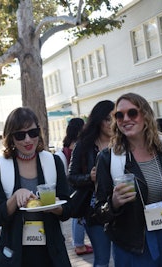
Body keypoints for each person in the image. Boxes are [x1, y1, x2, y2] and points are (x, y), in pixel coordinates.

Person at [94, 93, 162, 267]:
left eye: (132, 113)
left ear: (145, 115)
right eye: (119, 115)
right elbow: (99, 211)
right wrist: (113, 203)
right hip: (134, 244)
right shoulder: (108, 157)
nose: (125, 119)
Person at [0, 107, 72, 267]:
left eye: (33, 133)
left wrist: (54, 206)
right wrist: (14, 198)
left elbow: (68, 209)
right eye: (20, 135)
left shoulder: (53, 162)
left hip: (51, 250)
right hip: (15, 252)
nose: (28, 140)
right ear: (11, 138)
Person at [68, 100, 114, 267]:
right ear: (98, 120)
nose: (112, 123)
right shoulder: (84, 145)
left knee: (125, 257)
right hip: (95, 211)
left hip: (123, 209)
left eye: (116, 118)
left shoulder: (123, 143)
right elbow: (71, 177)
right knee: (102, 259)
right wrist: (90, 177)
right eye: (108, 119)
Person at [56, 118, 93, 256]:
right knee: (79, 215)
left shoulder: (65, 148)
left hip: (71, 185)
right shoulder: (80, 146)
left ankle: (78, 243)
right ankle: (79, 244)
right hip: (77, 185)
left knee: (77, 215)